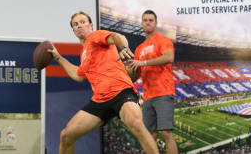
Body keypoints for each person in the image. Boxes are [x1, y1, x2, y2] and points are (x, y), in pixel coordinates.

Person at [47, 11, 159, 154]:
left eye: (82, 22)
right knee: (66, 135)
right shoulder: (84, 54)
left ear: (91, 25)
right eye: (75, 24)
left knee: (136, 125)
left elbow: (117, 37)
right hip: (100, 100)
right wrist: (58, 57)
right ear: (74, 31)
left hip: (121, 92)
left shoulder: (95, 36)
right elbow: (79, 75)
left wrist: (123, 47)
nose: (79, 26)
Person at [128, 10, 178, 154]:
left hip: (164, 92)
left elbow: (169, 57)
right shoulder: (139, 49)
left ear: (156, 23)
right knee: (150, 136)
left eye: (151, 20)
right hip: (148, 96)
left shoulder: (163, 40)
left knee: (166, 134)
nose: (148, 22)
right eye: (145, 20)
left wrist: (142, 62)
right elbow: (137, 74)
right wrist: (127, 74)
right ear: (142, 24)